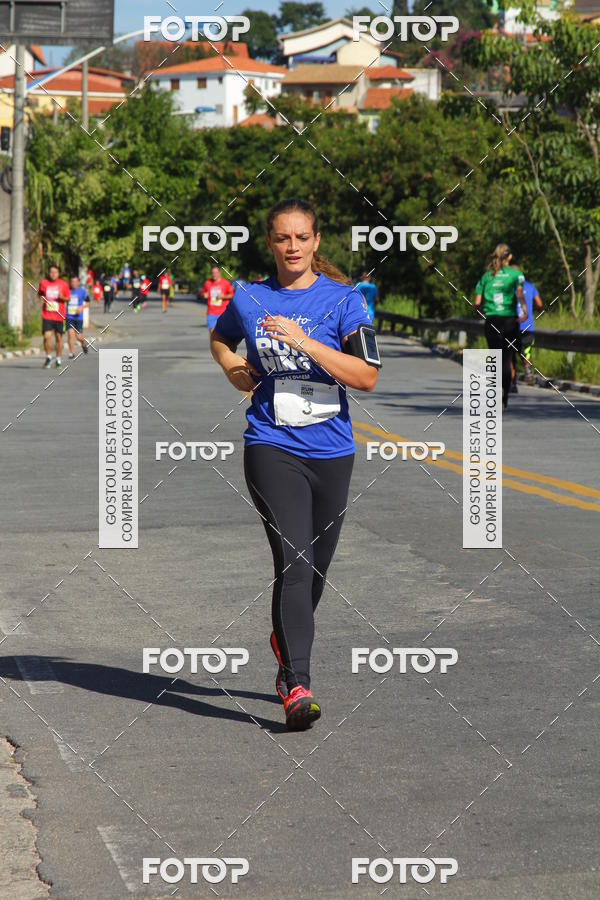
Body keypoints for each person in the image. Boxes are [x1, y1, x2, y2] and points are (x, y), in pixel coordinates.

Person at [210, 198, 380, 730]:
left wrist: (305, 341)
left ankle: (286, 633)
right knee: (296, 561)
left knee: (315, 571)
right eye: (283, 238)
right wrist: (232, 365)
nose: (292, 247)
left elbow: (367, 376)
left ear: (316, 241)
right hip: (271, 445)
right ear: (270, 242)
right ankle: (296, 681)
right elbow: (219, 337)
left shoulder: (345, 301)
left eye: (301, 238)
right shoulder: (252, 298)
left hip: (331, 452)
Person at [474, 244, 527, 410]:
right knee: (506, 358)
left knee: (495, 358)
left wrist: (482, 313)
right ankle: (504, 395)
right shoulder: (516, 275)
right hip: (509, 320)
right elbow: (519, 295)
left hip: (492, 321)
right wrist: (524, 312)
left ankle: (495, 391)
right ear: (509, 257)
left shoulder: (486, 276)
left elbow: (476, 303)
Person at [513, 264, 543, 387]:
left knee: (510, 351)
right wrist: (531, 310)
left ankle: (511, 379)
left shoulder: (508, 288)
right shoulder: (530, 286)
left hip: (512, 324)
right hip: (528, 325)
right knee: (526, 350)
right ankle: (528, 373)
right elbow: (540, 304)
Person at [39, 264, 70, 369]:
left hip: (59, 316)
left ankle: (58, 359)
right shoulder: (44, 283)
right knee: (46, 337)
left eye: (55, 272)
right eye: (51, 272)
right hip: (47, 315)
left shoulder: (63, 284)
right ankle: (48, 357)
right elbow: (40, 294)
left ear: (58, 273)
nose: (53, 274)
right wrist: (41, 297)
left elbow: (68, 298)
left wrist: (62, 297)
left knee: (58, 338)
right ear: (49, 273)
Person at [201, 265, 234, 331]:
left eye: (216, 272)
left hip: (223, 313)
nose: (214, 274)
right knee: (212, 333)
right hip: (211, 312)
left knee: (224, 334)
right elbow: (202, 293)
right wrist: (204, 295)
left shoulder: (225, 283)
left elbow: (232, 295)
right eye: (212, 273)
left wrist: (223, 296)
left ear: (219, 273)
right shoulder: (208, 283)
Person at [66, 275, 89, 357]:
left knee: (78, 336)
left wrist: (82, 307)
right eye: (72, 282)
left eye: (75, 282)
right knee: (70, 334)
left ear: (78, 282)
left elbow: (88, 303)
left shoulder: (82, 292)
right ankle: (72, 353)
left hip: (78, 317)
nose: (73, 283)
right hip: (69, 317)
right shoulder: (67, 291)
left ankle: (83, 343)